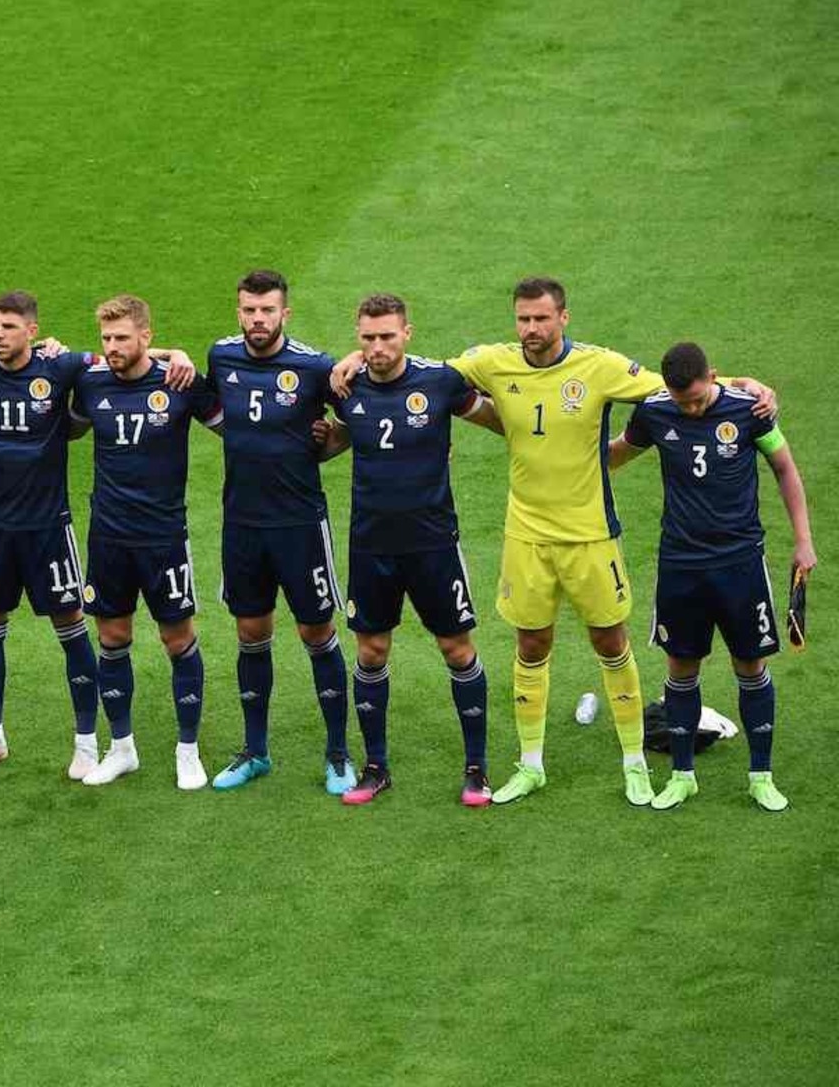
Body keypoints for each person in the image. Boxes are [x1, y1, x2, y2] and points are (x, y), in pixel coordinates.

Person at [330, 276, 775, 805]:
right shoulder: (491, 361)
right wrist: (352, 359)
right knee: (531, 644)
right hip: (527, 536)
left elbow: (679, 386)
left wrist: (745, 382)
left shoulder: (601, 366)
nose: (531, 329)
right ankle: (531, 764)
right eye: (523, 319)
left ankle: (635, 763)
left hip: (590, 536)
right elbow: (413, 367)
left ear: (563, 318)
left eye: (541, 319)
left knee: (611, 641)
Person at [0, 291, 195, 777]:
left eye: (8, 327)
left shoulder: (62, 367)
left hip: (49, 526)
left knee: (73, 627)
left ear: (32, 330)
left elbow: (121, 355)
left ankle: (86, 743)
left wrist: (172, 353)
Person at [610, 342, 815, 811]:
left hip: (740, 562)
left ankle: (760, 775)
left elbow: (784, 467)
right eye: (684, 402)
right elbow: (618, 454)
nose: (692, 408)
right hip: (680, 564)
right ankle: (683, 774)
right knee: (681, 667)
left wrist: (803, 540)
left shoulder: (750, 409)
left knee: (751, 665)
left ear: (715, 377)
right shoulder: (656, 412)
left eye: (699, 399)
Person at [318, 294, 504, 805]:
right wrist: (322, 439)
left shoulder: (439, 382)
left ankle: (477, 769)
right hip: (371, 545)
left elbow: (498, 417)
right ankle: (375, 768)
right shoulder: (345, 388)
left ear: (407, 333)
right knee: (372, 651)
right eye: (367, 338)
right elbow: (331, 443)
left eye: (386, 336)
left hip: (432, 545)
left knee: (456, 649)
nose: (377, 347)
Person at [205, 270, 353, 793]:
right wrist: (171, 357)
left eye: (267, 310)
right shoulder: (221, 357)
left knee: (316, 632)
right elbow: (204, 405)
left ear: (284, 313)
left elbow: (356, 415)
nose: (257, 319)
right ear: (238, 310)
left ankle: (338, 754)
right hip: (242, 523)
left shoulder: (313, 367)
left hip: (299, 524)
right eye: (248, 310)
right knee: (250, 633)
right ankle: (255, 751)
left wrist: (333, 438)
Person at [71, 295, 224, 790]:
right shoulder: (90, 382)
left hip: (163, 538)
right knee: (112, 640)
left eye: (122, 338)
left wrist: (176, 357)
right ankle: (122, 749)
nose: (112, 348)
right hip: (108, 538)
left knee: (177, 640)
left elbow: (236, 428)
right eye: (106, 339)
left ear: (146, 337)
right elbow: (60, 426)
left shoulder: (179, 383)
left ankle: (187, 750)